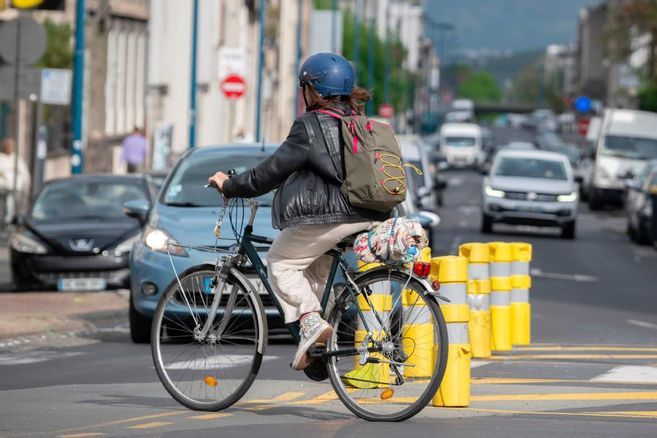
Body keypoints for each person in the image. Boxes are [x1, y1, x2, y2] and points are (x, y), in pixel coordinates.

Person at [208, 53, 390, 370]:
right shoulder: (358, 122)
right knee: (315, 277)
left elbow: (267, 174)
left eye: (304, 85)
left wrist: (230, 185)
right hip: (368, 211)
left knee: (280, 261)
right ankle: (321, 355)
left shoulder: (310, 126)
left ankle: (309, 322)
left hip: (333, 216)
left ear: (311, 89)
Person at [0, 138, 31, 225]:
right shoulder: (1, 158)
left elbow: (24, 174)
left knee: (11, 205)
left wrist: (26, 186)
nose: (9, 148)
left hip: (14, 188)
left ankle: (9, 221)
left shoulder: (17, 159)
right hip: (2, 188)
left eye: (11, 146)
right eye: (7, 146)